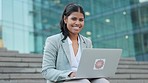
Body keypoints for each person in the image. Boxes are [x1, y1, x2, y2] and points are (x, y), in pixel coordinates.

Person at [42, 3, 110, 83]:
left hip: (84, 78)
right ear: (65, 19)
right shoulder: (53, 41)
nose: (77, 23)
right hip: (64, 80)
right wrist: (70, 74)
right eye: (74, 19)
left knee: (103, 82)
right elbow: (46, 71)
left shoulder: (87, 42)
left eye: (81, 20)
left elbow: (89, 68)